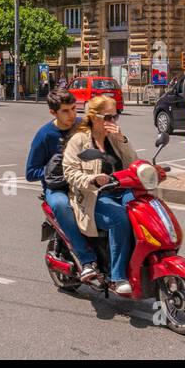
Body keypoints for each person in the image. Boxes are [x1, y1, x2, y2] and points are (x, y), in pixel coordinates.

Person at [63, 95, 138, 294]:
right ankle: (117, 277)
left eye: (116, 116)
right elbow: (70, 172)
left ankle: (141, 265)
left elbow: (133, 163)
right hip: (94, 197)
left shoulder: (114, 137)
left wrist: (122, 139)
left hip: (122, 191)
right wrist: (92, 179)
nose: (113, 121)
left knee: (142, 210)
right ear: (95, 117)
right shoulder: (79, 140)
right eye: (108, 117)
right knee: (119, 218)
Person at [25, 90, 99, 281]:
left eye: (74, 109)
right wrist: (54, 171)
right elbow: (31, 172)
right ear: (53, 113)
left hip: (86, 183)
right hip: (58, 188)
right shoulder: (44, 135)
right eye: (65, 111)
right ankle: (87, 260)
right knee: (61, 206)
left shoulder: (83, 126)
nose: (72, 115)